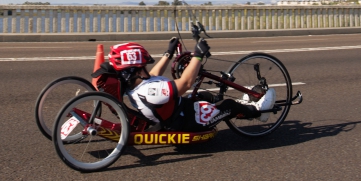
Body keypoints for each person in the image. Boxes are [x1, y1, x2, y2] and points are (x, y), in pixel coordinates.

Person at [108, 39, 276, 133]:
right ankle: (258, 111)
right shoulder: (150, 92)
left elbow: (152, 75)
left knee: (207, 96)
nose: (146, 70)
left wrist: (168, 53)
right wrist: (198, 56)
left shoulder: (135, 86)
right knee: (228, 105)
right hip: (186, 122)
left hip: (181, 110)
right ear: (135, 71)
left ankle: (244, 106)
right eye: (143, 67)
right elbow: (185, 84)